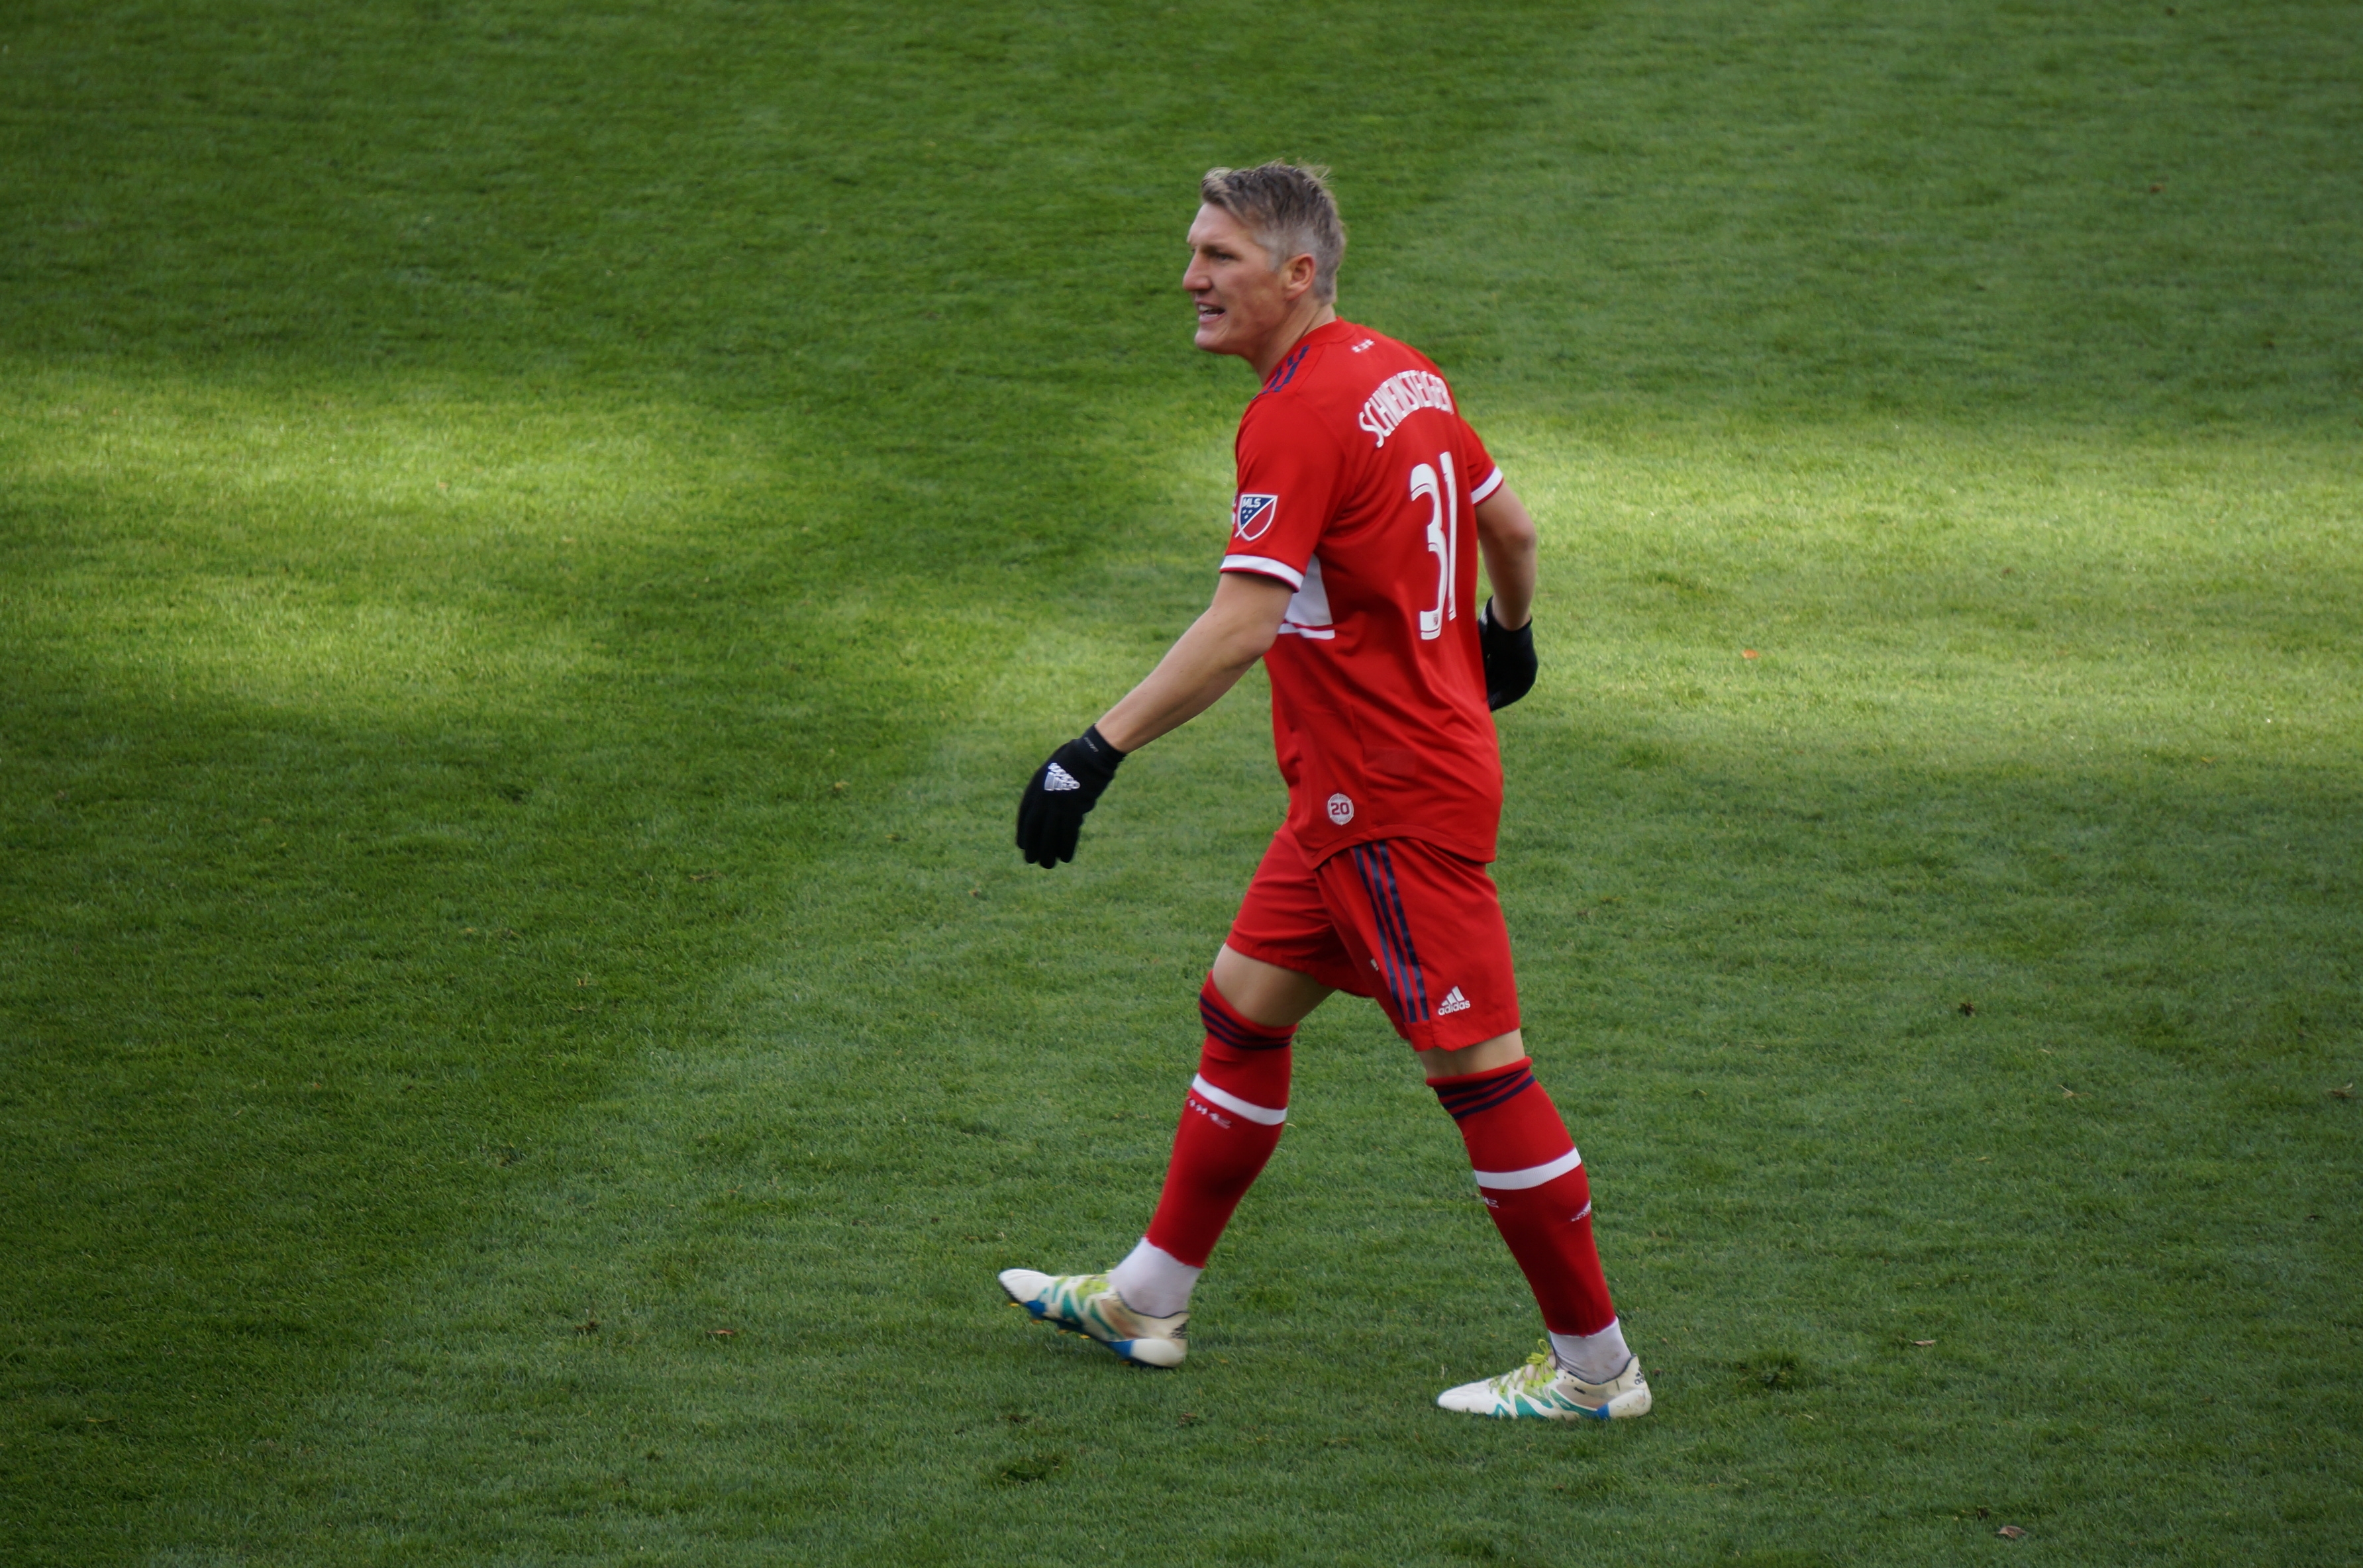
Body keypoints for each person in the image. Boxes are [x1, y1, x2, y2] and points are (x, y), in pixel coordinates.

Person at [999, 163, 1648, 1421]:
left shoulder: (1295, 414)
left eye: (1219, 258)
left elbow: (1242, 625)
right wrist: (1509, 636)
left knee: (1480, 1071)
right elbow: (1512, 531)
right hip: (1366, 790)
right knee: (1242, 1007)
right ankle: (1147, 1300)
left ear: (1298, 274)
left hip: (1387, 798)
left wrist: (1095, 749)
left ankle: (1595, 1371)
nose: (1190, 279)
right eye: (1194, 252)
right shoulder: (1405, 371)